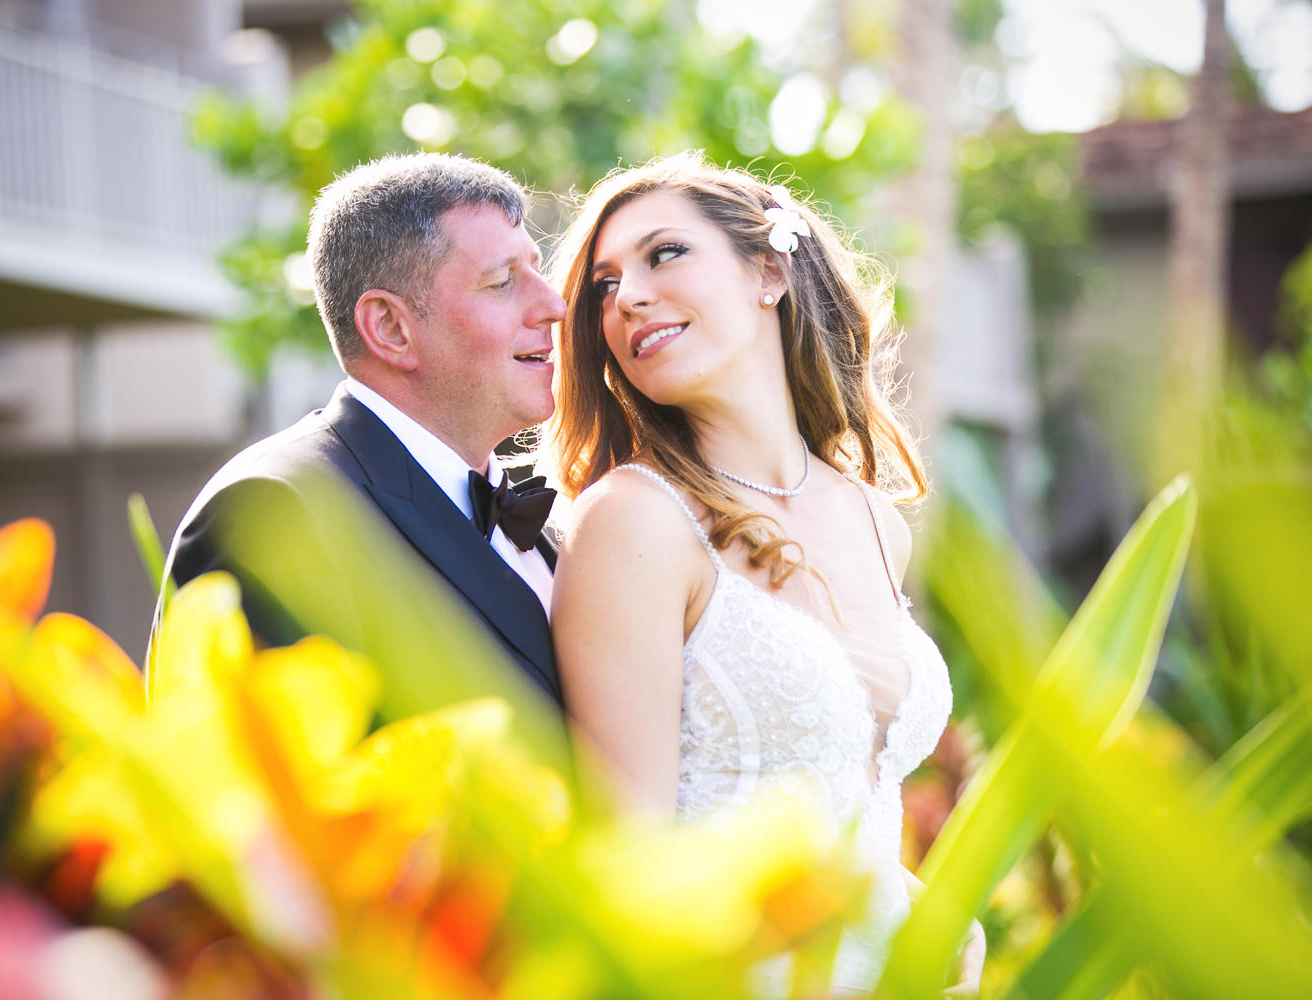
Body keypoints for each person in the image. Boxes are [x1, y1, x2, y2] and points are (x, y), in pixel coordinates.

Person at [540, 153, 981, 995]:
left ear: (768, 271)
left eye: (663, 254)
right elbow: (626, 856)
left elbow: (847, 810)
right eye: (602, 286)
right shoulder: (635, 522)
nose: (624, 297)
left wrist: (918, 912)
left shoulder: (876, 522)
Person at [154, 153, 566, 703]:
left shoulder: (544, 523)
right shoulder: (278, 511)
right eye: (501, 282)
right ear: (390, 327)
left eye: (536, 270)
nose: (554, 305)